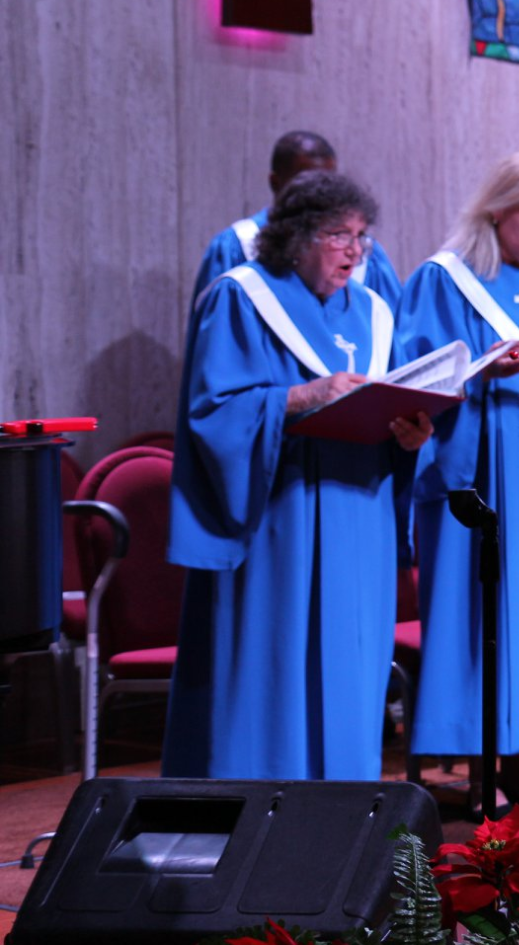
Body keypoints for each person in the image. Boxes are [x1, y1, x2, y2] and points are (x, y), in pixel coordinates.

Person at [165, 171, 432, 781]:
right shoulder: (242, 297)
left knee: (351, 666)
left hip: (357, 515)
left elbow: (390, 401)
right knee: (273, 663)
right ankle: (261, 817)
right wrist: (300, 397)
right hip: (278, 514)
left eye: (361, 236)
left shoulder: (373, 313)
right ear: (296, 237)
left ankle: (341, 822)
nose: (354, 251)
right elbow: (212, 412)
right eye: (338, 234)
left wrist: (411, 435)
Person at [397, 151, 519, 803]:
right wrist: (483, 370)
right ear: (499, 208)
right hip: (474, 463)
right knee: (481, 611)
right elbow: (411, 378)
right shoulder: (445, 281)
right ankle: (483, 767)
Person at [191, 131, 402, 310]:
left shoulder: (364, 254)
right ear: (275, 182)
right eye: (304, 182)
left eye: (327, 182)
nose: (319, 194)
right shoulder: (237, 246)